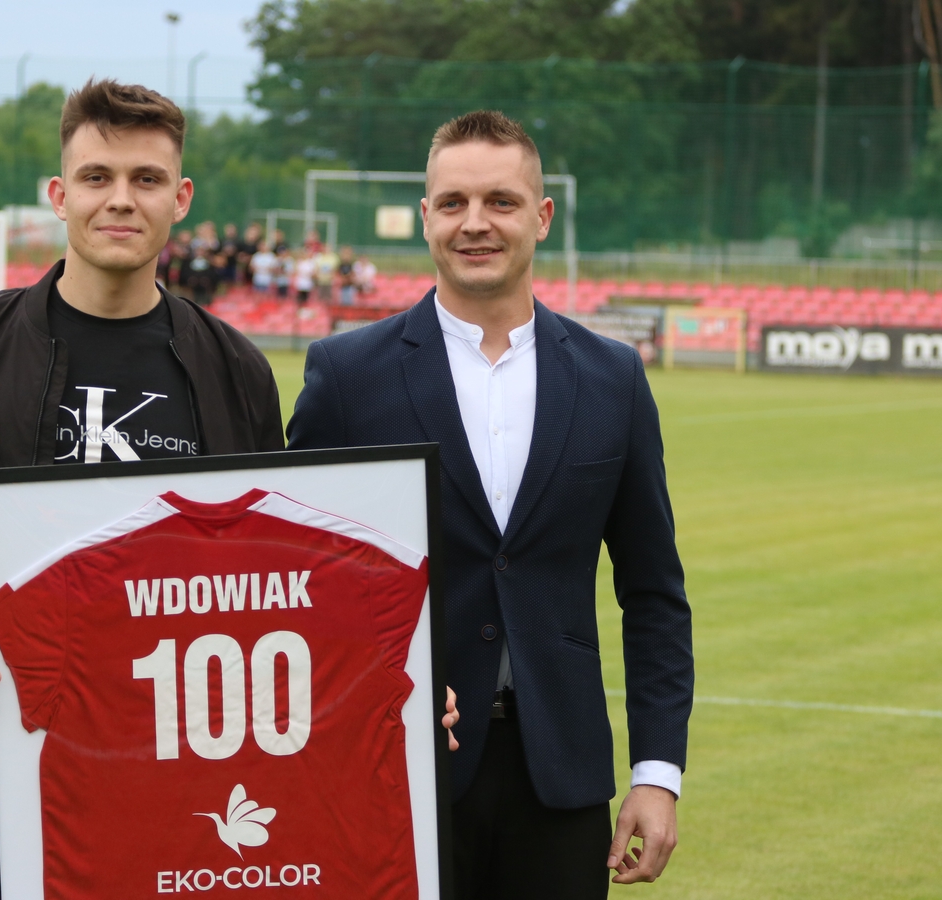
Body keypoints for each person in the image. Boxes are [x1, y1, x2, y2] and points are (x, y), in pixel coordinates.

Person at [0, 79, 284, 900]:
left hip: (179, 764)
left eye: (146, 179)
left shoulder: (235, 370)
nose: (120, 199)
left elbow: (272, 567)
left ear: (181, 198)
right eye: (96, 177)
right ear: (59, 195)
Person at [285, 110, 693, 898]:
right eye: (454, 203)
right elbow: (299, 582)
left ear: (542, 216)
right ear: (426, 217)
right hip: (393, 769)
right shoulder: (346, 376)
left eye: (501, 201)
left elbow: (653, 595)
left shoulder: (613, 378)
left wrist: (656, 773)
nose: (475, 223)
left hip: (561, 780)